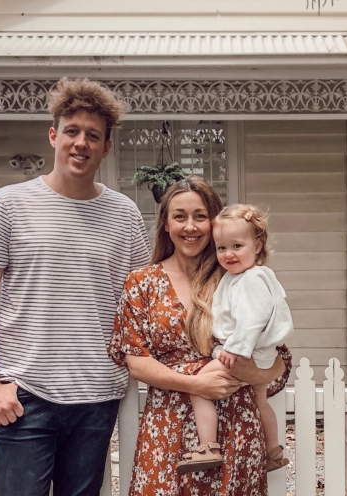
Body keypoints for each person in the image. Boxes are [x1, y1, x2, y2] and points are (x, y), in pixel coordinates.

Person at [0, 78, 151, 496]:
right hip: (24, 398)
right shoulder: (9, 203)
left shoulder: (124, 214)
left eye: (93, 135)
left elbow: (145, 303)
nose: (81, 143)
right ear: (54, 135)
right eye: (72, 131)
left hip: (97, 400)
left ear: (106, 147)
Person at [109, 176, 292, 496]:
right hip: (167, 429)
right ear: (166, 224)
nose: (190, 226)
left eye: (200, 216)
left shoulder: (238, 278)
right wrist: (195, 384)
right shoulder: (142, 282)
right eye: (180, 216)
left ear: (214, 223)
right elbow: (134, 361)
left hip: (235, 428)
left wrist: (254, 372)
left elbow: (278, 358)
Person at [177, 204, 292, 474]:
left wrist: (235, 348)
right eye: (221, 248)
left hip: (244, 352)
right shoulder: (239, 276)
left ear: (258, 245)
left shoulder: (252, 278)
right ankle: (273, 451)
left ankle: (208, 446)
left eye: (237, 246)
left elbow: (254, 317)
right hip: (258, 353)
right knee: (260, 400)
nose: (229, 254)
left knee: (198, 386)